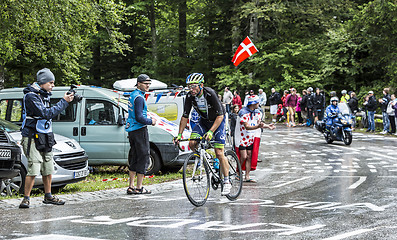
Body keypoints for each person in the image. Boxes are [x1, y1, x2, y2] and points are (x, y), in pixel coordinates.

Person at [19, 68, 75, 208]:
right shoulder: (31, 96)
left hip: (46, 135)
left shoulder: (44, 94)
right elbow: (46, 113)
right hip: (32, 136)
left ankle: (48, 196)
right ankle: (26, 198)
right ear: (43, 82)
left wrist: (68, 101)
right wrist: (64, 101)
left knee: (48, 166)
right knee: (34, 166)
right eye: (51, 82)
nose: (53, 86)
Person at [173, 73, 232, 195]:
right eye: (189, 86)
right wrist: (179, 134)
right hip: (204, 121)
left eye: (194, 86)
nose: (191, 89)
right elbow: (185, 116)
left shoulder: (210, 93)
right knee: (192, 143)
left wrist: (211, 132)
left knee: (219, 152)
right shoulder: (190, 96)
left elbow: (220, 115)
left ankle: (227, 181)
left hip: (218, 120)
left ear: (201, 85)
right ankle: (206, 158)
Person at [125, 74, 157, 195]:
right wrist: (151, 121)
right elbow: (139, 117)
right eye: (145, 83)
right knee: (143, 157)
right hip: (139, 130)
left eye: (149, 83)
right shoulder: (139, 97)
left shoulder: (132, 95)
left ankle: (131, 186)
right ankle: (139, 187)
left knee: (134, 156)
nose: (148, 86)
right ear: (138, 83)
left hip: (132, 130)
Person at [237, 95, 275, 182]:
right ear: (253, 103)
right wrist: (258, 126)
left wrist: (268, 126)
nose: (259, 104)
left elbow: (259, 123)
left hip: (251, 138)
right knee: (244, 156)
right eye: (257, 102)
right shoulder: (243, 112)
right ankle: (238, 172)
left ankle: (247, 175)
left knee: (249, 156)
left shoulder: (257, 112)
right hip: (242, 138)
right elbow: (247, 127)